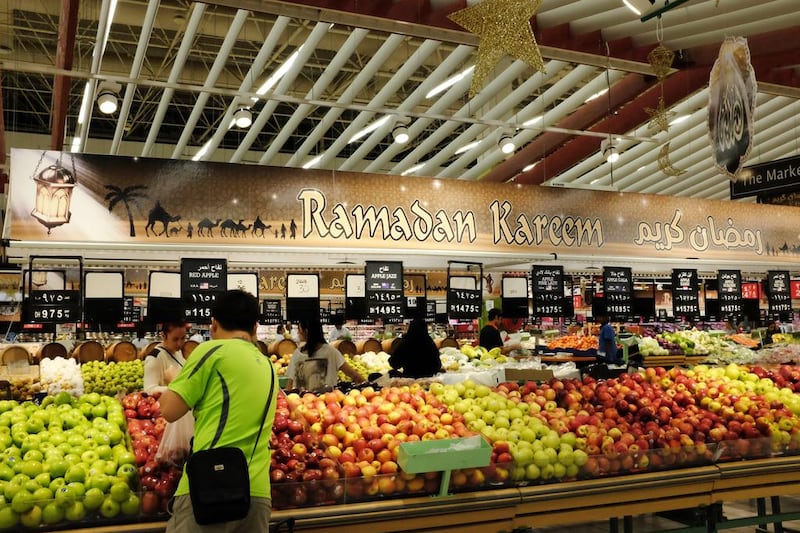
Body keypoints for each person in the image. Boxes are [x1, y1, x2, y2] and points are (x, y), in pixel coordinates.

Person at [160, 289, 278, 533]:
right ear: (255, 328)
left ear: (213, 324)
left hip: (210, 486)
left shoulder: (210, 352)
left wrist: (175, 378)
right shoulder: (268, 365)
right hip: (256, 494)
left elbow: (169, 410)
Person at [285, 317, 364, 391]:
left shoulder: (297, 354)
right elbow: (355, 376)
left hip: (302, 403)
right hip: (328, 403)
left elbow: (290, 383)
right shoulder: (332, 352)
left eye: (299, 329)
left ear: (306, 332)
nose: (298, 333)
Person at [143, 320, 186, 395]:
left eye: (183, 338)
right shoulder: (154, 357)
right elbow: (148, 390)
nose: (179, 343)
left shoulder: (178, 352)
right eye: (175, 339)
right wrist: (176, 387)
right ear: (163, 336)